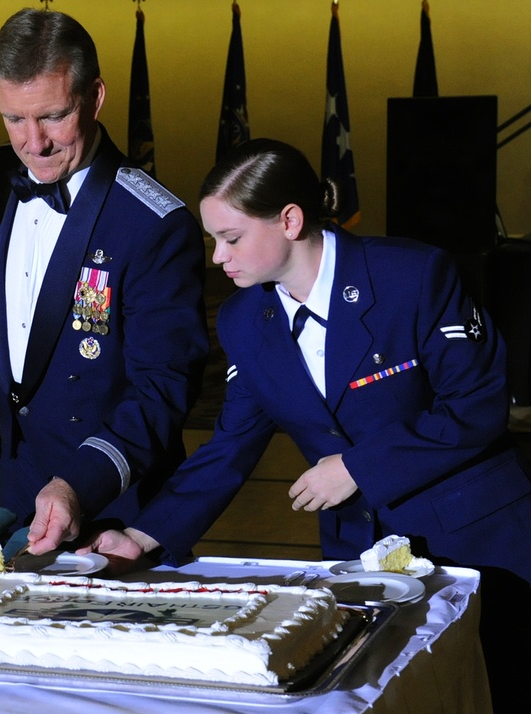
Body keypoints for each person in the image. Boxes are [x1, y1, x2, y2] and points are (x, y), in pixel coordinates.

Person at [80, 138, 531, 710]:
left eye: (232, 237)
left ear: (289, 219)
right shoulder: (245, 319)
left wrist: (359, 468)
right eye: (213, 239)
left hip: (477, 542)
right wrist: (143, 536)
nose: (217, 258)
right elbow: (231, 447)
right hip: (360, 558)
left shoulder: (413, 276)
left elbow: (478, 406)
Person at [0, 9, 208, 556]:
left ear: (95, 97)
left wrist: (81, 482)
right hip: (17, 496)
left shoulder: (154, 223)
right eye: (13, 119)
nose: (32, 144)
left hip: (116, 509)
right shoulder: (1, 181)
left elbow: (163, 388)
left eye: (53, 117)